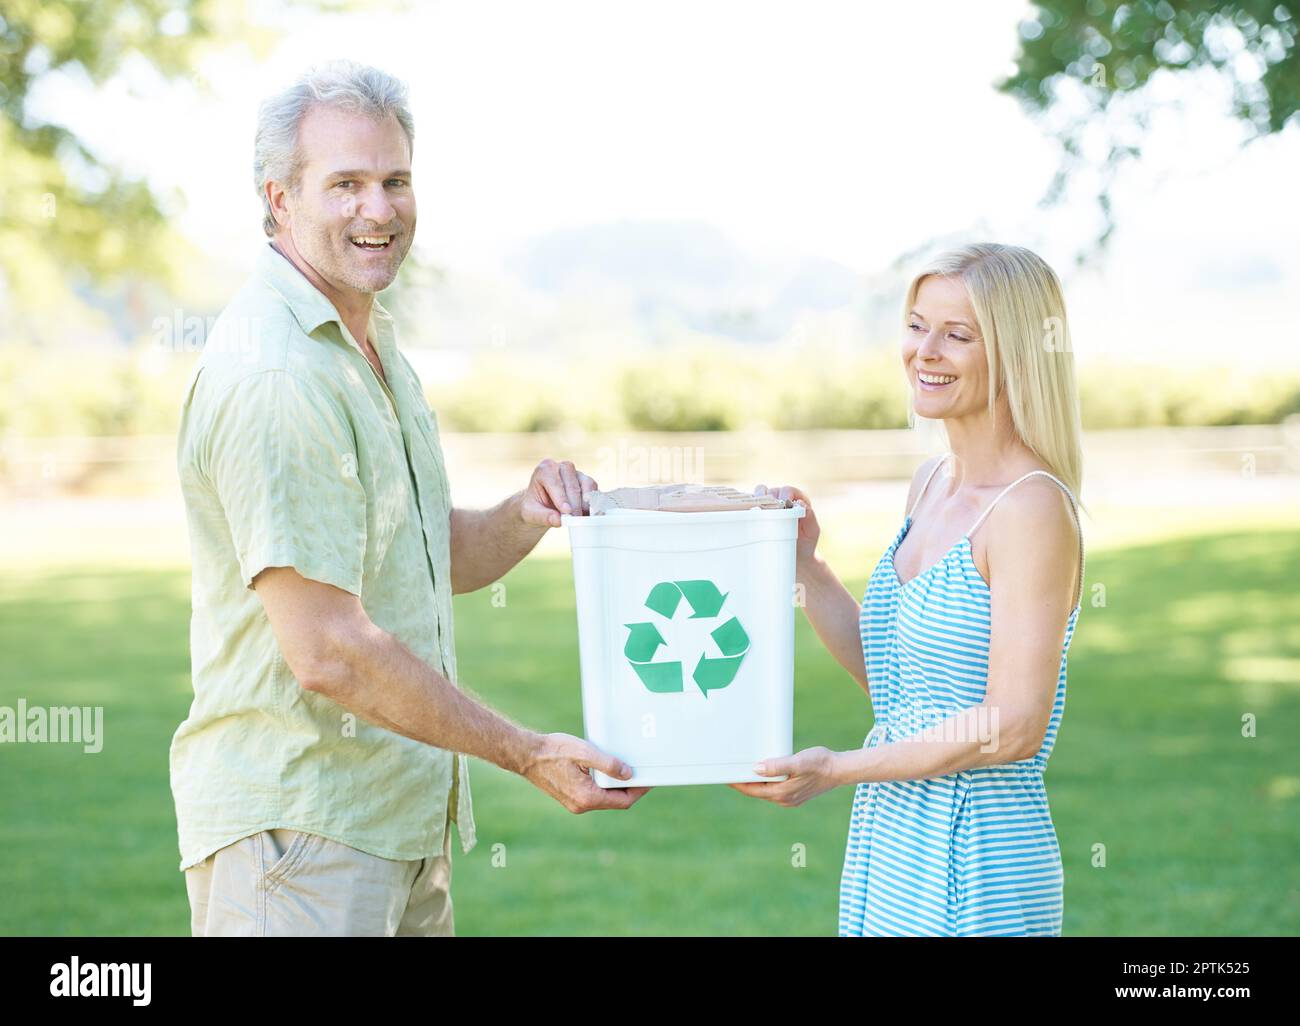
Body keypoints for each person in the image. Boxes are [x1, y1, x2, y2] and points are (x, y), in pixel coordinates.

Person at [172, 59, 647, 938]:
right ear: (278, 197)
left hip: (390, 827)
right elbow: (328, 651)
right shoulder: (277, 373)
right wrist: (527, 751)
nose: (379, 210)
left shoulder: (362, 344)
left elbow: (417, 557)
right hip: (299, 840)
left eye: (395, 181)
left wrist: (519, 516)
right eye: (345, 184)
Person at [732, 243, 1086, 937]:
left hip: (978, 850)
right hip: (896, 839)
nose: (925, 350)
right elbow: (898, 683)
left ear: (1015, 353)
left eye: (957, 334)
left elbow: (1012, 725)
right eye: (918, 325)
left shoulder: (1031, 509)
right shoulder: (930, 482)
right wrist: (808, 566)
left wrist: (838, 768)